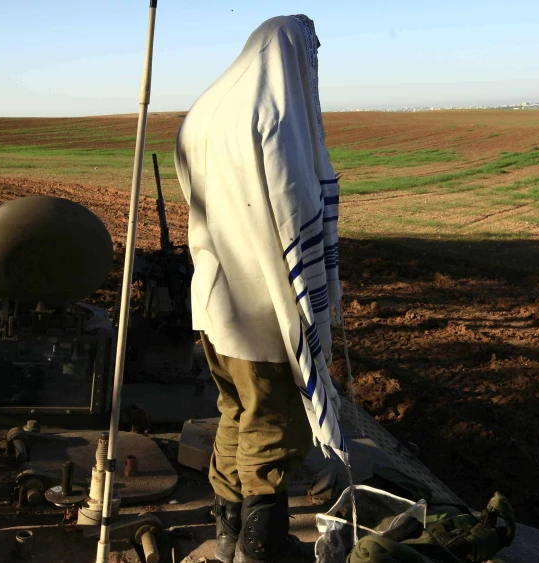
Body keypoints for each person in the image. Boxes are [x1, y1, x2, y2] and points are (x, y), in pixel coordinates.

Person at [174, 14, 346, 563]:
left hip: (213, 298)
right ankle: (262, 547)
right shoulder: (272, 114)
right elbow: (295, 212)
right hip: (262, 307)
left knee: (234, 412)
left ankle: (228, 535)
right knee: (275, 427)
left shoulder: (204, 109)